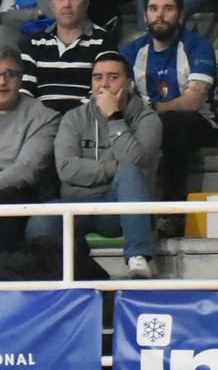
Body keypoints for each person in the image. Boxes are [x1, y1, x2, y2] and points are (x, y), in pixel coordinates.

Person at [54, 48, 161, 275]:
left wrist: (114, 117)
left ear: (129, 83)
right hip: (78, 206)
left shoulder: (147, 118)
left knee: (130, 174)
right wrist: (114, 168)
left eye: (113, 77)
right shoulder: (74, 117)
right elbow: (66, 169)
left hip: (117, 209)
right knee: (38, 224)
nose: (104, 85)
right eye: (97, 77)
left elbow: (133, 162)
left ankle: (138, 258)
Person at [121, 0, 217, 204]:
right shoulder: (132, 51)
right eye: (153, 9)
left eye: (168, 8)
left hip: (199, 124)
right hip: (146, 122)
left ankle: (172, 208)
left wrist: (153, 110)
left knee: (172, 124)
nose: (160, 15)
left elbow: (193, 102)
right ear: (145, 15)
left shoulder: (197, 46)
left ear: (181, 15)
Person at [22, 0, 108, 113]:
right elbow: (25, 91)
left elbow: (102, 90)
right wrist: (44, 119)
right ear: (52, 6)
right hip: (40, 123)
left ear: (86, 3)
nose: (67, 4)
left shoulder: (103, 41)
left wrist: (71, 120)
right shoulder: (34, 42)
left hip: (84, 123)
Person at [0, 45, 56, 249]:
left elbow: (25, 171)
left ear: (21, 78)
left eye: (10, 74)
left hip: (20, 196)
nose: (2, 82)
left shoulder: (44, 117)